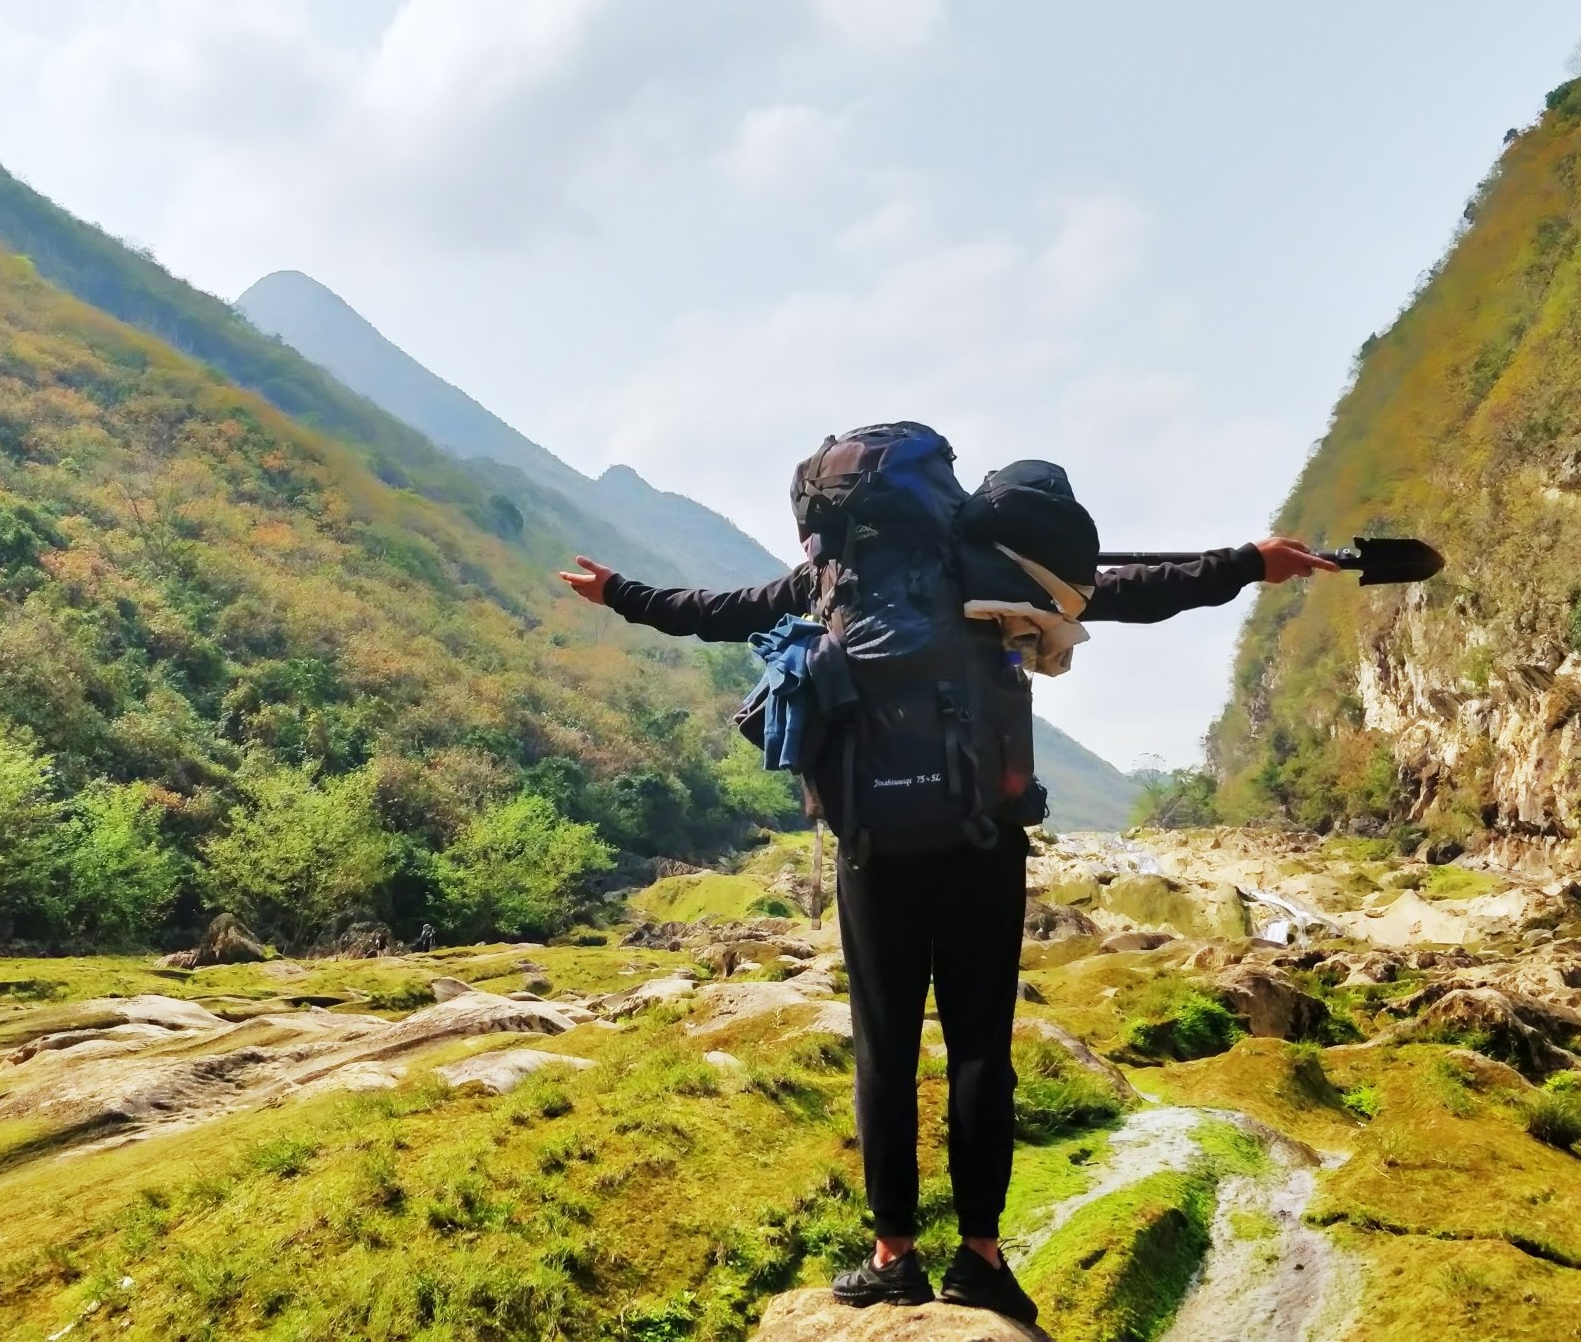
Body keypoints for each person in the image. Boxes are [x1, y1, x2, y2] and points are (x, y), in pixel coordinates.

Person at [560, 531, 1335, 1320]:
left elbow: (717, 613)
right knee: (978, 1051)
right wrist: (1249, 563)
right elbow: (1132, 589)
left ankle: (893, 1254)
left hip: (871, 849)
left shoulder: (834, 582)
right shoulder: (990, 570)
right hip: (980, 842)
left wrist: (621, 591)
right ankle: (981, 1258)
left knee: (885, 1053)